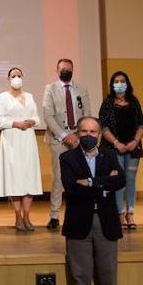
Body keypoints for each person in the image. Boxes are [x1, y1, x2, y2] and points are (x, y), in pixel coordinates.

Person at [59, 116, 129, 285]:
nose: (89, 134)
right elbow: (71, 187)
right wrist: (103, 184)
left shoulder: (109, 155)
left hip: (106, 224)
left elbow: (119, 180)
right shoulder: (66, 157)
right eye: (84, 131)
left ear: (99, 134)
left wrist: (90, 181)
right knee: (81, 283)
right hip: (79, 226)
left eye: (93, 130)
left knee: (108, 283)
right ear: (77, 133)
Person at [42, 59, 92, 231]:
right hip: (58, 139)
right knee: (59, 178)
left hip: (79, 138)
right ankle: (54, 215)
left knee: (81, 176)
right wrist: (65, 136)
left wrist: (79, 135)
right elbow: (48, 116)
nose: (66, 72)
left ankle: (80, 212)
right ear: (57, 70)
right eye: (63, 69)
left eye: (69, 70)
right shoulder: (50, 89)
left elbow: (87, 113)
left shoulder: (81, 89)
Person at [0, 67, 44, 232]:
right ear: (8, 78)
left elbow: (37, 117)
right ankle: (18, 217)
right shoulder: (2, 97)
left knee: (29, 176)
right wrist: (16, 123)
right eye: (13, 75)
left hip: (27, 139)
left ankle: (27, 216)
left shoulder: (29, 96)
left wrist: (31, 122)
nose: (16, 78)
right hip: (11, 140)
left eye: (19, 75)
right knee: (14, 177)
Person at [98, 70, 143, 230]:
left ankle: (130, 213)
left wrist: (135, 141)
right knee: (118, 180)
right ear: (112, 85)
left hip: (133, 147)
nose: (119, 83)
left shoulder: (134, 102)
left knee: (130, 179)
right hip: (114, 148)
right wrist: (117, 143)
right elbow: (103, 127)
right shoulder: (107, 103)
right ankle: (120, 213)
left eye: (122, 80)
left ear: (127, 83)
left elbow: (142, 124)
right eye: (116, 81)